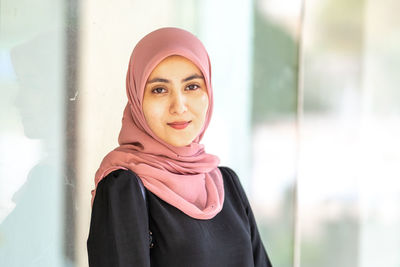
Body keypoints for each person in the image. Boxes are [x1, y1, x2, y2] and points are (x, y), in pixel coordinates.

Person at [87, 27, 273, 267]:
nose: (179, 106)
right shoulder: (123, 189)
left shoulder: (226, 184)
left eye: (192, 86)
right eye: (159, 90)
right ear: (136, 99)